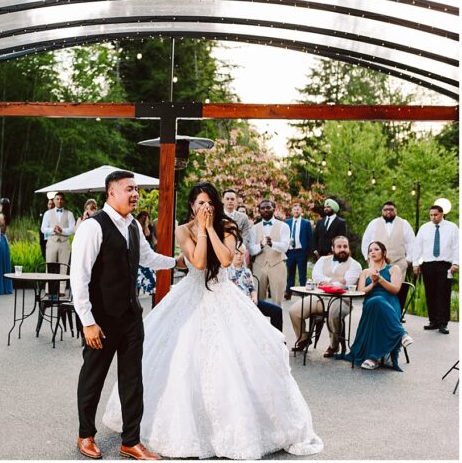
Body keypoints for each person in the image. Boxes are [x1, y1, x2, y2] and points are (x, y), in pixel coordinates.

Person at [100, 181, 323, 460]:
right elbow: (198, 261)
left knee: (237, 358)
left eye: (209, 203)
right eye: (200, 203)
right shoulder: (183, 230)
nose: (205, 207)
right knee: (180, 358)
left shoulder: (228, 227)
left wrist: (210, 230)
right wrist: (201, 230)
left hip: (223, 294)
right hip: (191, 294)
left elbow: (226, 259)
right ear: (192, 206)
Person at [70, 170, 178, 461]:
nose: (135, 194)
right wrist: (88, 322)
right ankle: (85, 434)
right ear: (111, 192)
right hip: (102, 320)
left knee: (133, 380)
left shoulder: (132, 225)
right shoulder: (93, 227)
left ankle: (131, 440)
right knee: (93, 377)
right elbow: (78, 278)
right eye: (129, 189)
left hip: (131, 317)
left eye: (136, 189)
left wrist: (177, 261)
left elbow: (148, 258)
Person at [337, 241, 414, 370]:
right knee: (376, 301)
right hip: (370, 303)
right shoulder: (366, 272)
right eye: (370, 250)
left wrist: (380, 280)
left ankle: (374, 358)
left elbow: (395, 289)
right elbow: (361, 291)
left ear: (383, 252)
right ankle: (401, 334)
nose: (372, 252)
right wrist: (373, 284)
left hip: (390, 303)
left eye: (376, 249)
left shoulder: (394, 269)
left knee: (379, 302)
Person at [288, 236, 363, 357]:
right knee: (294, 311)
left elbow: (347, 283)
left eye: (345, 246)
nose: (342, 249)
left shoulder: (355, 265)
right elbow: (316, 276)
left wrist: (327, 281)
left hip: (342, 300)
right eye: (339, 246)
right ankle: (303, 338)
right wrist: (336, 280)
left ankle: (334, 345)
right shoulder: (323, 260)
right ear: (332, 248)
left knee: (333, 314)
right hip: (319, 297)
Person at [410, 205, 459, 335]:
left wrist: (456, 263)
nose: (433, 217)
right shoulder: (424, 228)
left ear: (442, 214)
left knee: (443, 294)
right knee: (430, 293)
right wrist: (415, 264)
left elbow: (457, 247)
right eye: (431, 215)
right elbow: (417, 246)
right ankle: (433, 321)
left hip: (445, 265)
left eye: (435, 215)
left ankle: (443, 323)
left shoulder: (452, 227)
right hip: (428, 264)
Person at [229, 245, 283, 331]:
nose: (239, 256)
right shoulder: (227, 270)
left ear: (244, 255)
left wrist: (254, 298)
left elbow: (252, 288)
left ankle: (279, 341)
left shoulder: (247, 271)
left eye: (241, 254)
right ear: (232, 254)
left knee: (277, 311)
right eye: (236, 253)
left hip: (250, 301)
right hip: (237, 303)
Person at [249, 199, 290, 303]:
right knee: (257, 300)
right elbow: (251, 250)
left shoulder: (284, 226)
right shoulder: (254, 228)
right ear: (259, 210)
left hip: (277, 264)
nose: (265, 210)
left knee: (277, 300)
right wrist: (261, 246)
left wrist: (273, 244)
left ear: (274, 209)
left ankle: (277, 319)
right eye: (262, 208)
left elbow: (285, 247)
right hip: (259, 265)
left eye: (268, 207)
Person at [361, 201, 416, 278]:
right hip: (377, 264)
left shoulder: (404, 223)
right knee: (377, 286)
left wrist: (408, 261)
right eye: (386, 210)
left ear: (396, 210)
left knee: (398, 288)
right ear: (382, 211)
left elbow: (412, 243)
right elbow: (365, 242)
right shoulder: (374, 223)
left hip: (399, 264)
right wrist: (368, 259)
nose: (388, 212)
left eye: (391, 210)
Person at [41, 192, 76, 300]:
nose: (59, 201)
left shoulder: (69, 214)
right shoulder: (47, 213)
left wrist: (62, 230)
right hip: (52, 242)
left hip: (64, 243)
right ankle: (48, 289)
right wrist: (53, 230)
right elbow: (43, 228)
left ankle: (61, 290)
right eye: (57, 199)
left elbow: (72, 229)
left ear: (63, 201)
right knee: (50, 265)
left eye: (61, 199)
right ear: (54, 200)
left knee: (63, 266)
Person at [285, 203, 313, 300]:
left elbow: (310, 238)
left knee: (302, 274)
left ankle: (303, 293)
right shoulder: (287, 222)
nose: (296, 211)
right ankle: (288, 292)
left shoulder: (306, 223)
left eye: (298, 209)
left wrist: (307, 252)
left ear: (301, 211)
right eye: (294, 209)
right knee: (290, 274)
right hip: (290, 251)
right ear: (292, 211)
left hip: (301, 252)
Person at [0, 198, 14, 295]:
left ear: (2, 205)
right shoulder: (7, 216)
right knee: (4, 264)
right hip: (4, 240)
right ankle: (6, 287)